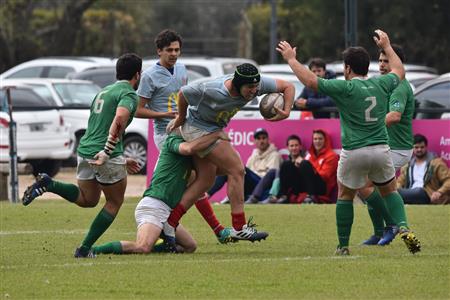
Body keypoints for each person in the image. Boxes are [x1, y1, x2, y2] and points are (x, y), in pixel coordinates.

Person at [277, 29, 421, 255]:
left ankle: (343, 246)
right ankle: (402, 227)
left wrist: (291, 59)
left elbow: (310, 81)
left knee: (345, 194)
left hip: (354, 151)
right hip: (381, 149)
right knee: (390, 191)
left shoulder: (345, 87)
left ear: (347, 68)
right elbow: (399, 70)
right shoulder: (381, 84)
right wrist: (387, 45)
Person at [22, 53, 143, 258]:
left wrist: (120, 159)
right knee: (114, 203)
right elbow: (120, 117)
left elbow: (101, 123)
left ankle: (49, 184)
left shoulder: (103, 92)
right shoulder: (129, 94)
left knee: (88, 199)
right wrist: (108, 151)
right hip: (105, 152)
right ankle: (84, 249)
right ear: (138, 75)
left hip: (85, 149)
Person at [165, 63, 295, 241]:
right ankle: (239, 226)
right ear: (237, 84)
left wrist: (287, 110)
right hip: (197, 129)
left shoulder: (255, 84)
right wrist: (180, 117)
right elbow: (183, 93)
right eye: (250, 87)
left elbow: (289, 86)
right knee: (237, 169)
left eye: (256, 86)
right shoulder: (212, 89)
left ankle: (170, 223)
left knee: (205, 181)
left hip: (212, 128)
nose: (254, 91)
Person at [136, 29, 227, 242]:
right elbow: (138, 110)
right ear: (159, 51)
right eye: (169, 50)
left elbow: (185, 98)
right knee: (193, 180)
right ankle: (164, 225)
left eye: (177, 50)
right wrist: (164, 114)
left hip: (185, 130)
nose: (174, 54)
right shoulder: (149, 76)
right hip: (165, 135)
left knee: (202, 178)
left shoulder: (182, 69)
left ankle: (170, 227)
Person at [92, 130, 232, 256]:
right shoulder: (173, 142)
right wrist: (215, 134)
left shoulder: (188, 157)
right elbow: (190, 148)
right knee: (142, 247)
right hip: (153, 206)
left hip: (165, 213)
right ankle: (94, 250)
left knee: (190, 246)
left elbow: (214, 171)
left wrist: (231, 165)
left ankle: (155, 246)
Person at [358, 44, 416, 246]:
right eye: (381, 61)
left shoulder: (399, 86)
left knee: (365, 184)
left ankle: (390, 226)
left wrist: (368, 123)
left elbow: (394, 116)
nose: (382, 65)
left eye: (387, 61)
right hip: (385, 147)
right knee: (379, 188)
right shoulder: (385, 83)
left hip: (398, 149)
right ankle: (390, 229)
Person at [209, 128, 282, 204]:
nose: (261, 141)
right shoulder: (253, 155)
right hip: (251, 186)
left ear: (268, 140)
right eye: (258, 138)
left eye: (263, 138)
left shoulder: (275, 155)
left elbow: (273, 177)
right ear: (254, 141)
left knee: (239, 168)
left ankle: (231, 198)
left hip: (263, 185)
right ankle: (207, 195)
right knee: (229, 170)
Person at [275, 130, 338, 204]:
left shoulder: (332, 156)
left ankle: (311, 196)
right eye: (315, 139)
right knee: (287, 164)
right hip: (307, 184)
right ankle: (284, 195)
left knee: (304, 163)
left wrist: (309, 168)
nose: (317, 141)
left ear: (326, 140)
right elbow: (304, 171)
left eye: (320, 139)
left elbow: (325, 176)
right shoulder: (309, 155)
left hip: (322, 188)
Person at [397, 134, 450, 204]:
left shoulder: (436, 163)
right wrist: (396, 190)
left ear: (426, 147)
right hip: (410, 192)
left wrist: (439, 192)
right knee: (394, 192)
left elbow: (448, 180)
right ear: (412, 148)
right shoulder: (408, 166)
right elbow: (400, 181)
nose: (419, 149)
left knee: (418, 191)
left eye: (422, 147)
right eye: (416, 147)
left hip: (427, 194)